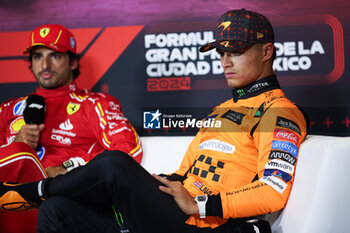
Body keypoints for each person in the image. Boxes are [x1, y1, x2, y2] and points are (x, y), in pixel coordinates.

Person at [0, 9, 308, 233]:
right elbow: (187, 172)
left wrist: (201, 204)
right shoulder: (221, 110)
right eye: (221, 51)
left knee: (114, 164)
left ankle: (31, 191)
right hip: (173, 211)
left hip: (205, 221)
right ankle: (44, 195)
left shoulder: (278, 112)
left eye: (237, 51)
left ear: (267, 51)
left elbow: (272, 189)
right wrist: (158, 183)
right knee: (57, 212)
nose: (225, 61)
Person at [0, 24, 142, 232]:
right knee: (19, 152)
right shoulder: (9, 109)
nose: (45, 65)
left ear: (73, 62)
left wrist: (70, 166)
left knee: (20, 154)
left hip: (57, 199)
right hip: (8, 203)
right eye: (38, 57)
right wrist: (16, 143)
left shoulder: (95, 104)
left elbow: (127, 151)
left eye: (54, 56)